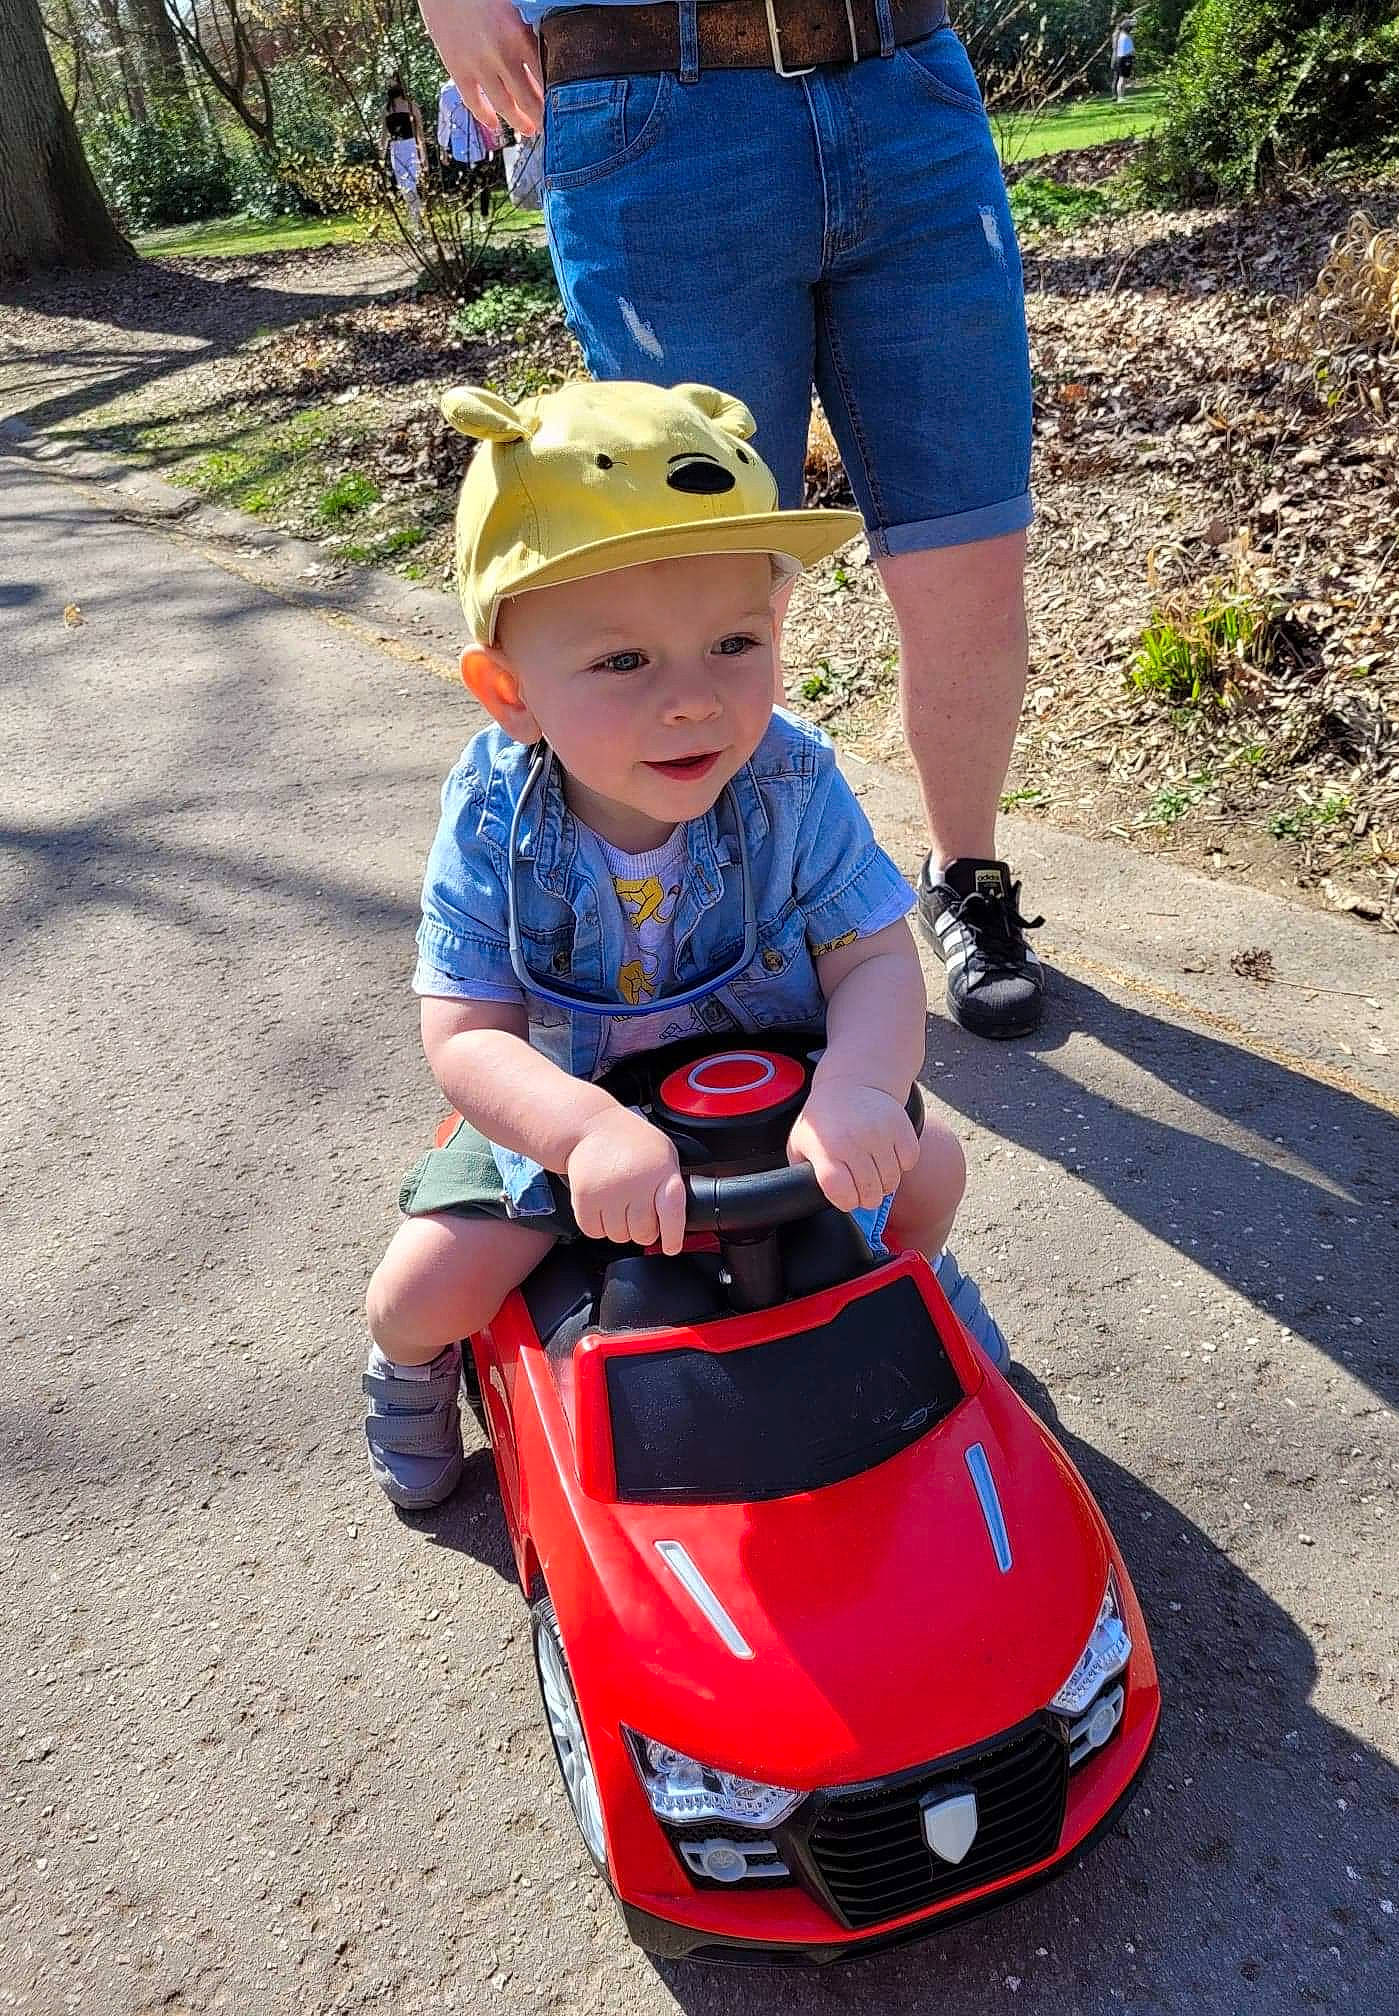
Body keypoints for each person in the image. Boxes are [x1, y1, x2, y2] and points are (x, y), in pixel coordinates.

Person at [361, 378, 1011, 1509]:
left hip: (770, 1094)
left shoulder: (790, 777)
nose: (692, 704)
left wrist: (859, 1089)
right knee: (425, 1286)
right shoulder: (490, 813)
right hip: (572, 1101)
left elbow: (869, 955)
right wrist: (579, 1132)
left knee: (930, 1169)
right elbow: (466, 1031)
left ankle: (916, 1283)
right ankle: (409, 1376)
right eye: (622, 664)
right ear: (509, 693)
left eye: (730, 643)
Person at [416, 0, 1047, 1042]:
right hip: (649, 98)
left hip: (905, 78)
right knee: (689, 586)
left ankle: (965, 879)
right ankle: (724, 924)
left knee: (968, 557)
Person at [380, 76, 428, 234]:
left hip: (410, 146)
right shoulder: (386, 109)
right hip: (395, 149)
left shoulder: (411, 106)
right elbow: (385, 135)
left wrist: (423, 156)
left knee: (412, 184)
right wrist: (381, 157)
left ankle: (417, 222)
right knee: (404, 186)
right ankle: (416, 219)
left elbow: (420, 133)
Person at [1111, 16, 1136, 100]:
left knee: (1122, 78)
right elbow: (1130, 50)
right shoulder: (1126, 37)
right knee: (1122, 78)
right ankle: (1120, 96)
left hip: (1121, 58)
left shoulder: (1120, 36)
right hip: (1124, 58)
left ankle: (1121, 96)